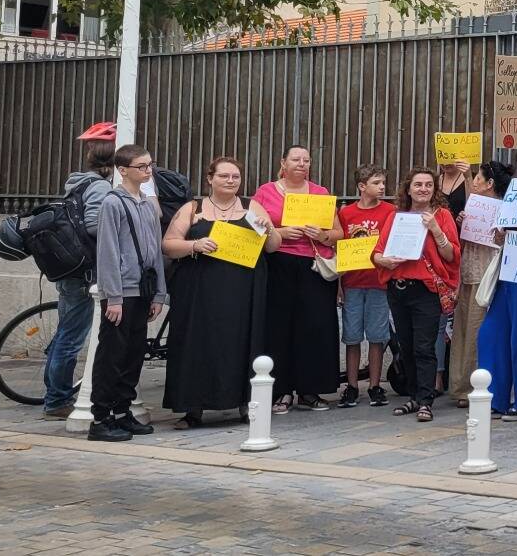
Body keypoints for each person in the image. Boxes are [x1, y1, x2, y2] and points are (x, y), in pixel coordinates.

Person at [161, 156, 277, 428]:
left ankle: (246, 404)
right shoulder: (193, 208)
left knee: (242, 342)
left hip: (243, 291)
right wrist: (196, 245)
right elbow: (168, 244)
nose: (231, 181)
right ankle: (193, 407)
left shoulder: (252, 207)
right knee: (197, 343)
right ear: (210, 178)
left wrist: (270, 229)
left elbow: (272, 246)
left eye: (235, 176)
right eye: (224, 176)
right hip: (199, 292)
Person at [251, 144, 343, 413]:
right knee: (278, 327)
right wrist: (281, 231)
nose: (302, 164)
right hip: (278, 262)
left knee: (315, 326)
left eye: (307, 160)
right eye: (296, 159)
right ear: (283, 162)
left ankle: (309, 390)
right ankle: (281, 390)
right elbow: (254, 228)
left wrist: (323, 235)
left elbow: (338, 232)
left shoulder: (320, 193)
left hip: (314, 265)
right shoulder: (265, 192)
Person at [86, 145, 168, 442]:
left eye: (150, 165)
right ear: (123, 170)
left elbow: (156, 251)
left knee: (134, 354)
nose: (148, 171)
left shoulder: (147, 204)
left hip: (143, 289)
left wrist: (159, 294)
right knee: (112, 355)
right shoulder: (112, 203)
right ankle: (101, 418)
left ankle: (122, 411)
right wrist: (114, 297)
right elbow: (106, 251)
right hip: (121, 292)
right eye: (142, 167)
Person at [42, 122, 119, 420]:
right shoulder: (99, 186)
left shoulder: (79, 181)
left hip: (69, 268)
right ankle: (57, 399)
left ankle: (54, 389)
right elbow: (94, 225)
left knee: (65, 332)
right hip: (83, 272)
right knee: (72, 337)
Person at [379, 168, 461, 422]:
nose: (423, 189)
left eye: (428, 185)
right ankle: (414, 396)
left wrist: (436, 229)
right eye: (418, 185)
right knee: (406, 345)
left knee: (425, 347)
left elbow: (452, 256)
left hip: (426, 291)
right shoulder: (396, 217)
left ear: (434, 190)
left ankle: (426, 400)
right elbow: (377, 252)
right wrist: (386, 260)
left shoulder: (443, 215)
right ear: (408, 189)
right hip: (398, 289)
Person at [473, 160, 517, 421]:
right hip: (507, 266)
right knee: (491, 332)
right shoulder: (514, 191)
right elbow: (503, 234)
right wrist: (500, 234)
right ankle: (494, 397)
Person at [447, 160, 508, 405]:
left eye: (477, 179)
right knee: (462, 329)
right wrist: (462, 223)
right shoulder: (471, 208)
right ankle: (460, 385)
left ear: (489, 184)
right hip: (468, 272)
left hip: (488, 275)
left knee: (477, 331)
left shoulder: (504, 209)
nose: (473, 183)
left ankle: (476, 385)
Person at [336, 166, 395, 408]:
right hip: (352, 281)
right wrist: (338, 284)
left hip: (378, 282)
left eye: (383, 183)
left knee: (377, 336)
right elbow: (339, 247)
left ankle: (374, 385)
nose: (382, 187)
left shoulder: (390, 211)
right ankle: (351, 385)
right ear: (362, 186)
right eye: (377, 183)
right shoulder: (346, 213)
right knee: (351, 336)